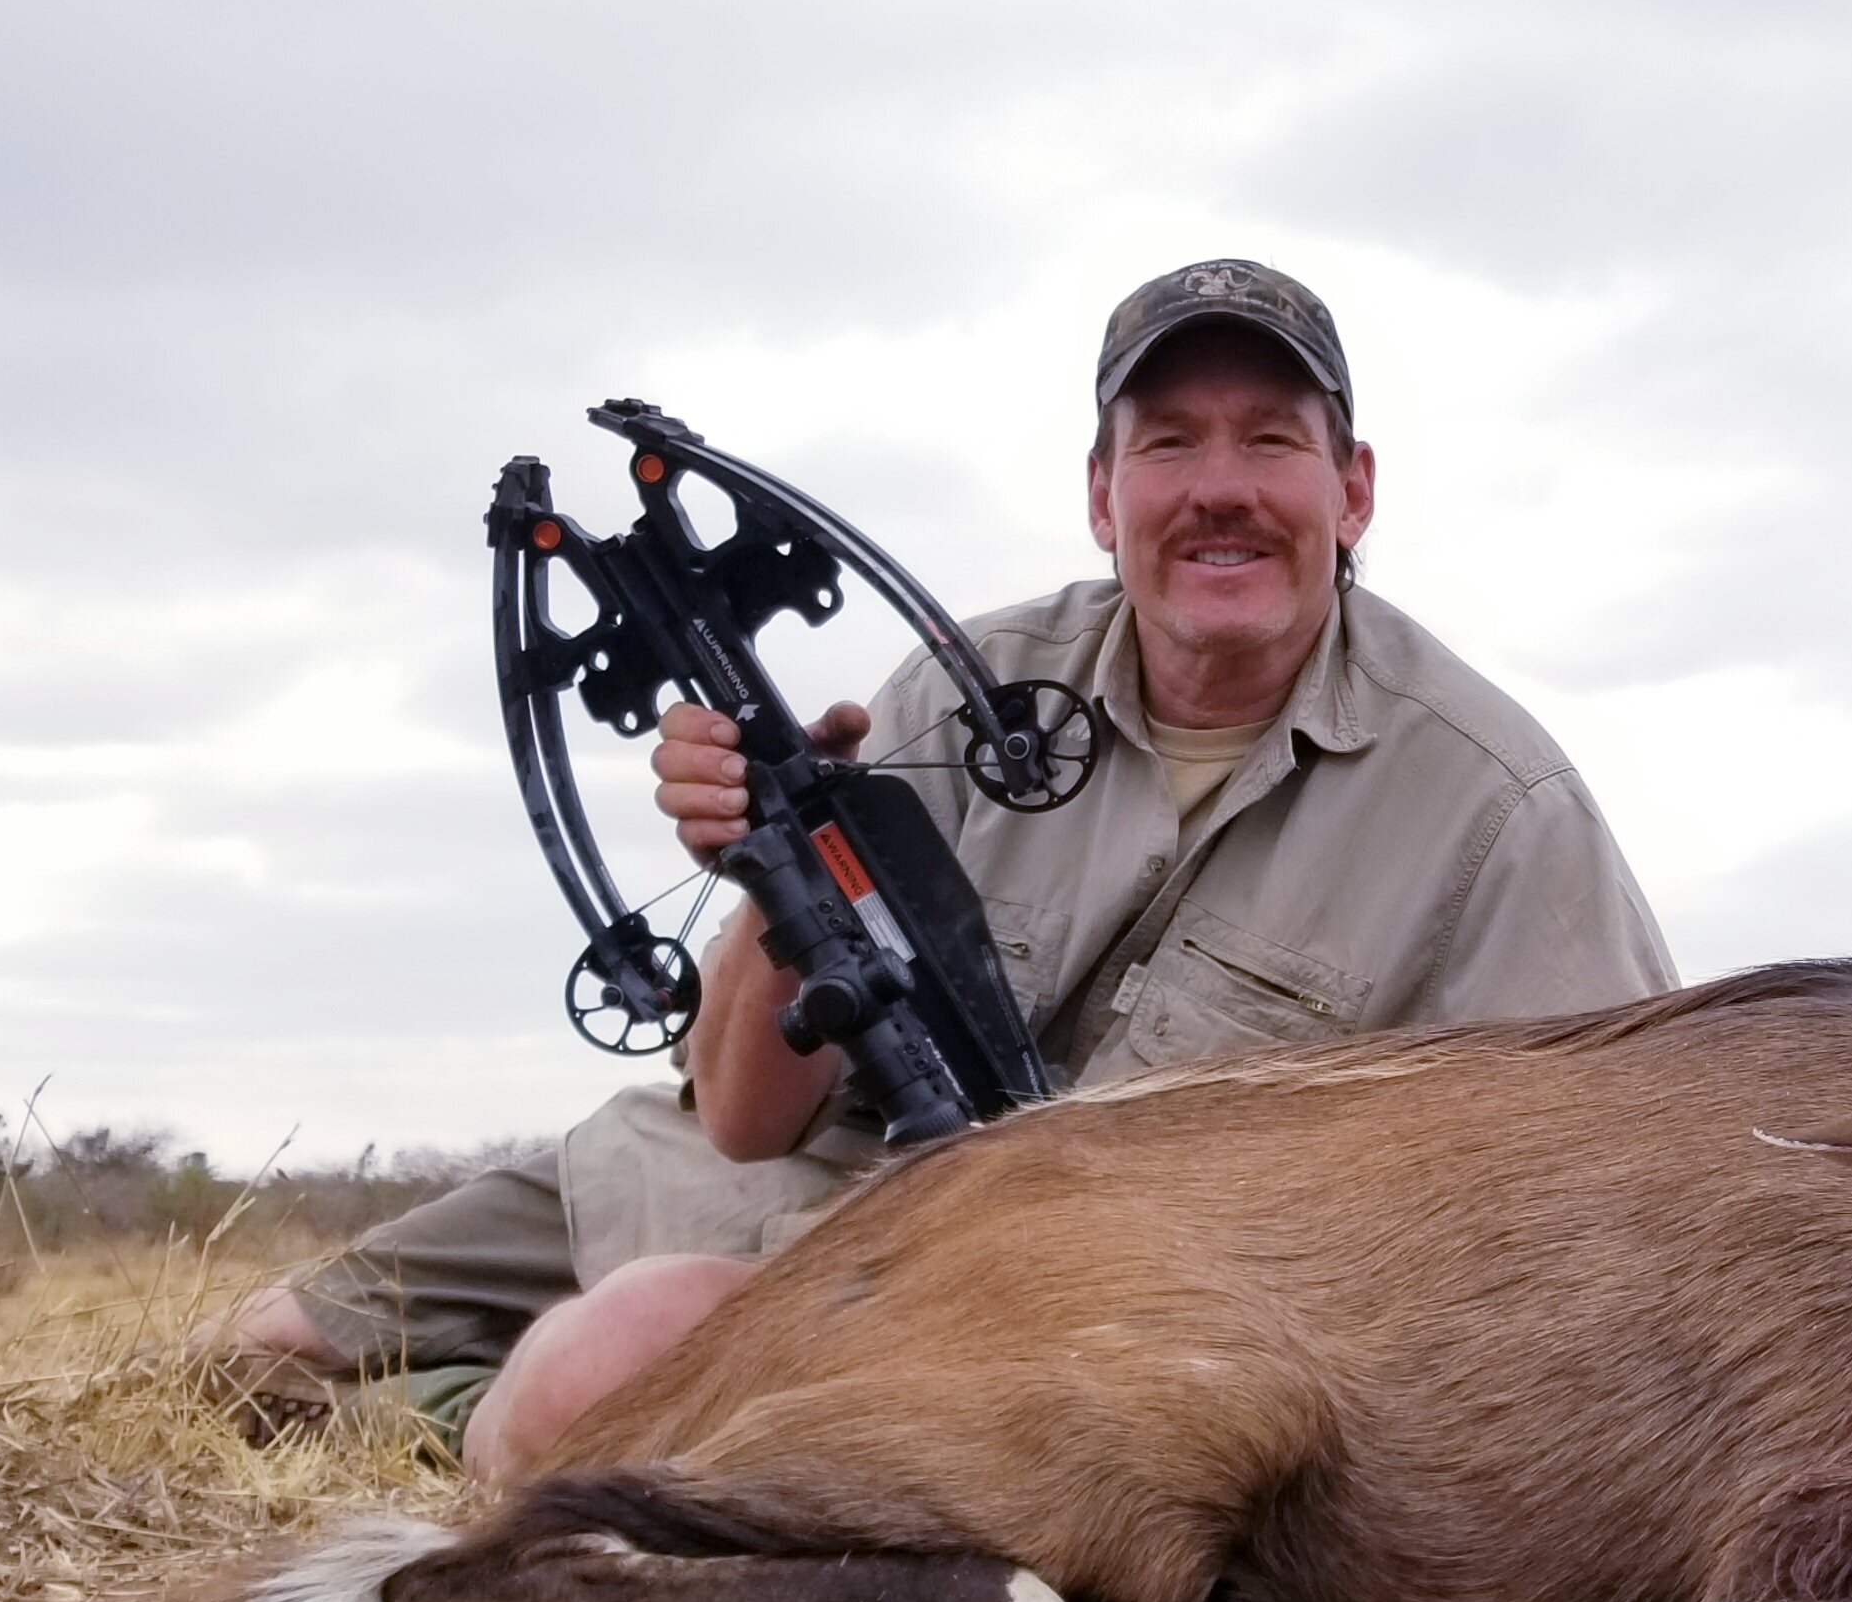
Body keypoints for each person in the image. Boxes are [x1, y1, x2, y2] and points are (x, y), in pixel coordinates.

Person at [209, 258, 1675, 1478]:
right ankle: (408, 1397)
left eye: (1271, 441)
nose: (1218, 489)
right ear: (1104, 496)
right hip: (762, 1174)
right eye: (1169, 444)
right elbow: (738, 1120)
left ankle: (430, 1432)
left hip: (999, 1302)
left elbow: (1610, 1206)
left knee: (591, 1385)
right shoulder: (967, 686)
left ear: (1351, 490)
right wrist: (780, 861)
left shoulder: (1498, 808)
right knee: (248, 1359)